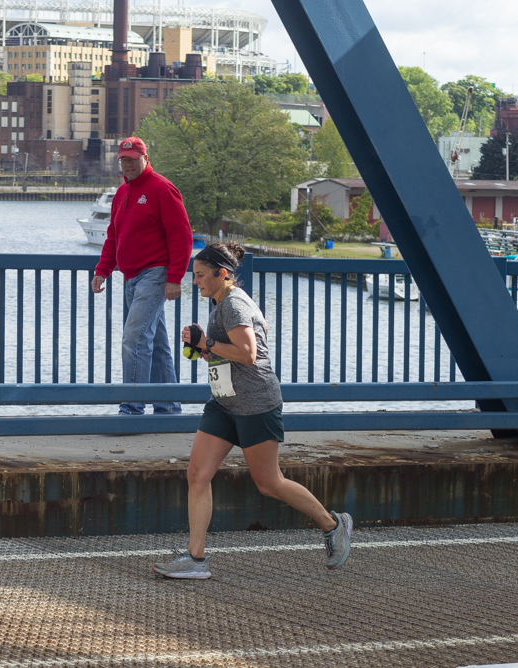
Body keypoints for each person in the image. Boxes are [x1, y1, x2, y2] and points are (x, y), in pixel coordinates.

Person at [152, 242, 352, 578]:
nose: (195, 281)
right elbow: (247, 341)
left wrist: (206, 343)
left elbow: (248, 353)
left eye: (200, 275)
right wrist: (207, 350)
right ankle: (196, 559)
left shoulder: (234, 304)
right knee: (198, 475)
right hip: (224, 402)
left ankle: (333, 525)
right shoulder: (223, 301)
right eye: (194, 275)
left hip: (255, 403)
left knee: (269, 483)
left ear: (222, 273)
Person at [91, 137, 193, 415]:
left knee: (134, 339)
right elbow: (114, 236)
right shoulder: (122, 192)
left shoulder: (162, 189)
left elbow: (181, 236)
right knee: (156, 345)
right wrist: (103, 270)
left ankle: (132, 409)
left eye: (133, 159)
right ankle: (168, 409)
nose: (128, 164)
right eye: (124, 159)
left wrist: (175, 277)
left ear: (145, 158)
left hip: (155, 274)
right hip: (131, 277)